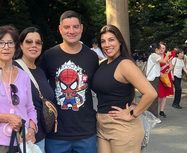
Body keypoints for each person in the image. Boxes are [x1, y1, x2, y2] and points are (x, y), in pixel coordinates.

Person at [39, 10, 99, 153]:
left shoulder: (92, 56)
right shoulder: (49, 56)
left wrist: (125, 99)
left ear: (81, 28)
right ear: (60, 29)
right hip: (56, 133)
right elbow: (39, 88)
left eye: (75, 27)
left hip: (86, 132)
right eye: (67, 27)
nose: (71, 31)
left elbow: (101, 85)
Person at [91, 25, 156, 153]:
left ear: (120, 41)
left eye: (111, 40)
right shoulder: (103, 64)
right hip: (102, 125)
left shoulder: (125, 64)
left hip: (121, 126)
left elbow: (150, 93)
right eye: (103, 41)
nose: (107, 44)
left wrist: (133, 113)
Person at [14, 27, 55, 152]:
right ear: (21, 45)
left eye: (38, 42)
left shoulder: (40, 71)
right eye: (29, 42)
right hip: (20, 138)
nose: (34, 45)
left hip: (39, 137)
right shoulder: (13, 68)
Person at [145, 43, 171, 118]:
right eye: (159, 49)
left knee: (154, 97)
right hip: (153, 79)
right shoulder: (154, 55)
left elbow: (158, 69)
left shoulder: (153, 56)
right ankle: (153, 116)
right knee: (154, 97)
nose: (160, 51)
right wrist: (168, 54)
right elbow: (163, 61)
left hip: (154, 78)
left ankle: (151, 115)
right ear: (156, 49)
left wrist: (166, 65)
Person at [157, 42, 173, 118]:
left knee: (164, 95)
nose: (162, 49)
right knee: (159, 94)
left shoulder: (167, 56)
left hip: (166, 75)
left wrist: (169, 69)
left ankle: (162, 110)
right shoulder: (156, 56)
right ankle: (155, 109)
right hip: (158, 75)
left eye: (163, 48)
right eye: (160, 48)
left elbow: (171, 66)